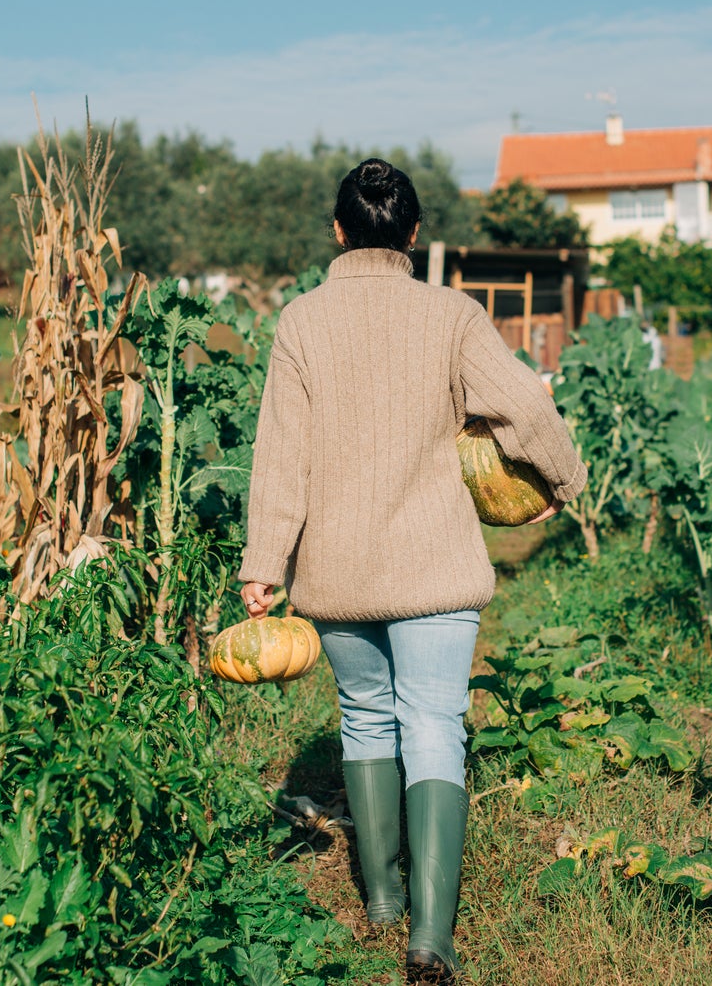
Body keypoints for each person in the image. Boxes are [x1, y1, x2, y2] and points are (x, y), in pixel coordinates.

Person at [238, 158, 586, 984]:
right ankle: (432, 934)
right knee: (434, 724)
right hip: (434, 566)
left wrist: (264, 562)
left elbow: (280, 456)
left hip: (338, 572)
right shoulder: (452, 314)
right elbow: (527, 405)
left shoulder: (301, 322)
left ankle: (383, 898)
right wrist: (561, 484)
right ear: (416, 234)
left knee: (365, 719)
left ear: (337, 231)